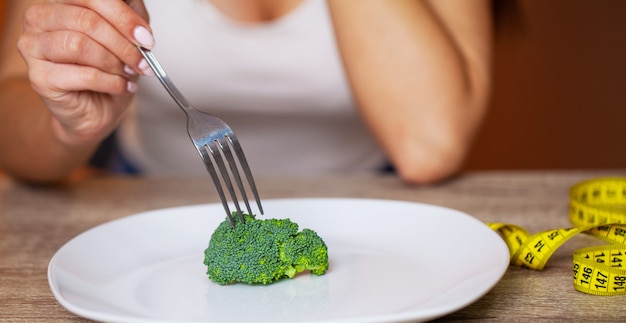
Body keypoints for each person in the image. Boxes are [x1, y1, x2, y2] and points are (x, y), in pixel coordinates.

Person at [0, 0, 494, 184]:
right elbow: (11, 108)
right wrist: (68, 127)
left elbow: (429, 145)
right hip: (140, 197)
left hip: (375, 205)